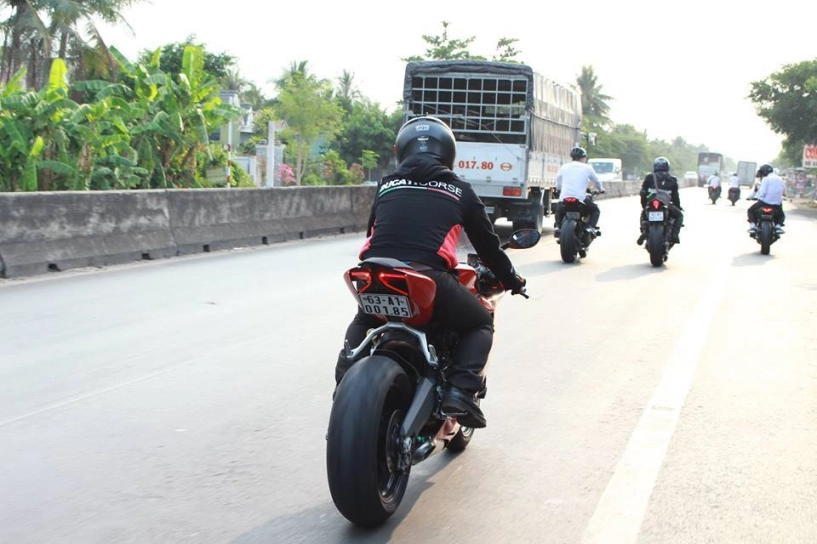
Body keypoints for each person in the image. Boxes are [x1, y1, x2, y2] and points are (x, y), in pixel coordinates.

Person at [333, 115, 527, 429]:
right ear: (448, 152)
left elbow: (373, 230)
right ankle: (459, 392)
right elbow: (489, 247)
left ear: (403, 151)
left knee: (364, 319)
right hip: (427, 277)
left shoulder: (386, 185)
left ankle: (344, 379)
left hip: (373, 273)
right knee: (480, 322)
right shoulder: (459, 190)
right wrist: (510, 280)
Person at [554, 146, 605, 237]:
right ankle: (589, 228)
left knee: (559, 210)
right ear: (583, 158)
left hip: (564, 199)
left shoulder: (564, 167)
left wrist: (558, 189)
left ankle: (558, 227)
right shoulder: (587, 168)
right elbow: (597, 181)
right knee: (595, 210)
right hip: (580, 199)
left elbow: (558, 181)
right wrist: (601, 189)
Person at [637, 157, 684, 245]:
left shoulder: (649, 177)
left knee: (643, 214)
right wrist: (678, 206)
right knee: (679, 216)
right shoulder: (672, 179)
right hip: (665, 203)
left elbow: (643, 192)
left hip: (651, 202)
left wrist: (644, 206)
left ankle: (643, 231)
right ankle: (675, 235)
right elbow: (675, 196)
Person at [747, 164, 786, 234]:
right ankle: (778, 226)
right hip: (776, 204)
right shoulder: (780, 179)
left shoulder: (766, 179)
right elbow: (784, 191)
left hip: (764, 203)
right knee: (781, 215)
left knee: (750, 211)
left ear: (764, 172)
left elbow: (762, 192)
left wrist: (759, 197)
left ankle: (753, 226)